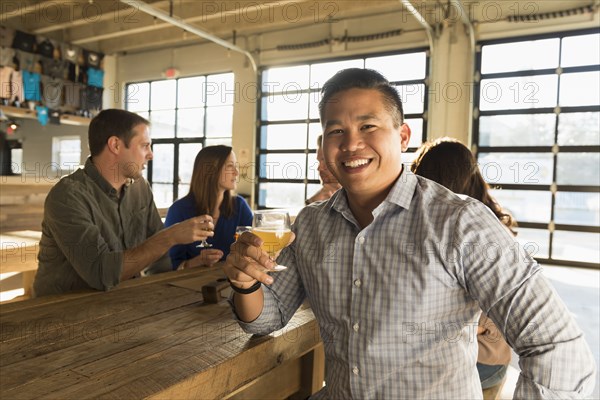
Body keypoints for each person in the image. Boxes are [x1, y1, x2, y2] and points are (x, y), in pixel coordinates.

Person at [222, 68, 596, 398]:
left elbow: (558, 348)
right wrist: (245, 283)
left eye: (368, 126)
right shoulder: (310, 224)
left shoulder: (460, 223)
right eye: (336, 131)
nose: (352, 143)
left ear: (402, 136)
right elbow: (267, 319)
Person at [34, 109, 214, 297]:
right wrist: (171, 236)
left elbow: (159, 262)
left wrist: (185, 268)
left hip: (122, 301)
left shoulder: (140, 187)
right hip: (62, 311)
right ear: (115, 145)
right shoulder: (68, 196)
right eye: (145, 146)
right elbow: (101, 273)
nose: (151, 155)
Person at [411, 137, 514, 391]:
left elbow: (479, 320)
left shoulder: (479, 232)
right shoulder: (429, 225)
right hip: (462, 351)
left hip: (482, 360)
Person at [165, 145, 252, 270]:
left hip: (232, 283)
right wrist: (198, 261)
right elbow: (171, 266)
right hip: (190, 284)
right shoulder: (179, 210)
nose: (236, 172)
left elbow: (253, 246)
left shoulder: (239, 206)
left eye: (236, 166)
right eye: (229, 166)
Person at [305, 134, 341, 205]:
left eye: (325, 161)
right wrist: (311, 203)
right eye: (319, 161)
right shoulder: (321, 198)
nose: (319, 168)